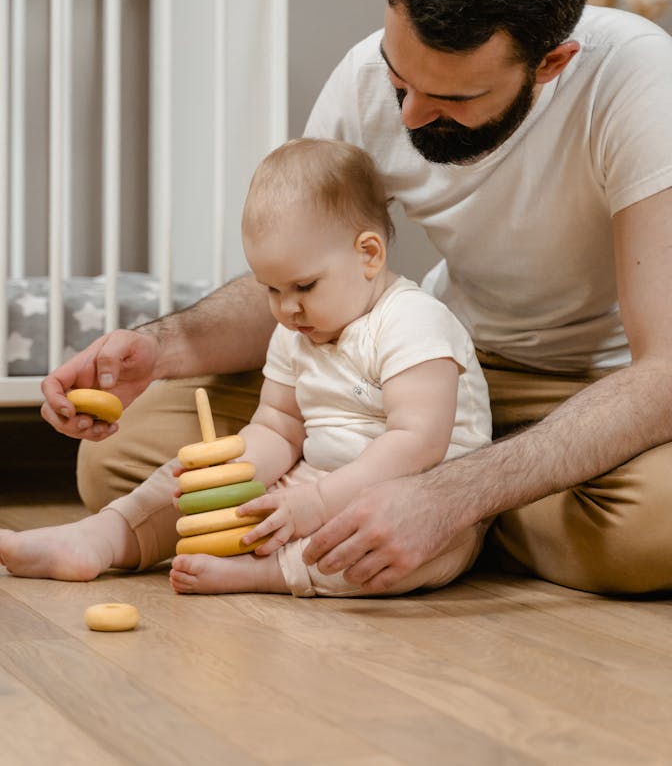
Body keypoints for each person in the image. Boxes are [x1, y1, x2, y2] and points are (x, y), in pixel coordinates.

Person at [35, 0, 672, 597]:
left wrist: (453, 491)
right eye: (401, 76)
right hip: (414, 371)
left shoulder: (636, 78)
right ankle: (414, 514)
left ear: (550, 63)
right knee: (118, 459)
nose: (409, 111)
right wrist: (159, 350)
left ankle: (437, 514)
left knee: (668, 526)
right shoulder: (368, 76)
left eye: (455, 97)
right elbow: (302, 273)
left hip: (586, 392)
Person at [0, 138, 492, 596]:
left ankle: (270, 573)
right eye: (272, 290)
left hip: (422, 497)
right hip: (316, 481)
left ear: (368, 254)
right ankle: (101, 538)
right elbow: (279, 427)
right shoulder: (295, 331)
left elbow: (416, 443)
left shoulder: (413, 321)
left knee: (387, 547)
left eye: (303, 287)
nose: (287, 309)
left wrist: (318, 505)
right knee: (192, 478)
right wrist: (230, 475)